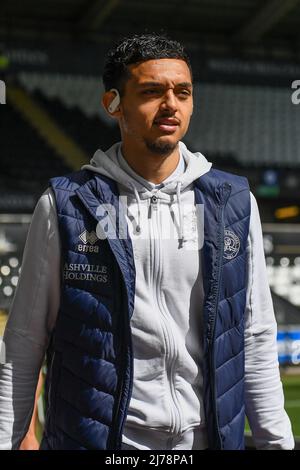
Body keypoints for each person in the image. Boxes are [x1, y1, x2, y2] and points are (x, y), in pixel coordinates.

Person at [0, 34, 294, 451]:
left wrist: (275, 444)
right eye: (152, 91)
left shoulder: (233, 203)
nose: (171, 104)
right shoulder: (66, 203)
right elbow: (26, 340)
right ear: (113, 104)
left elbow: (254, 335)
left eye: (183, 92)